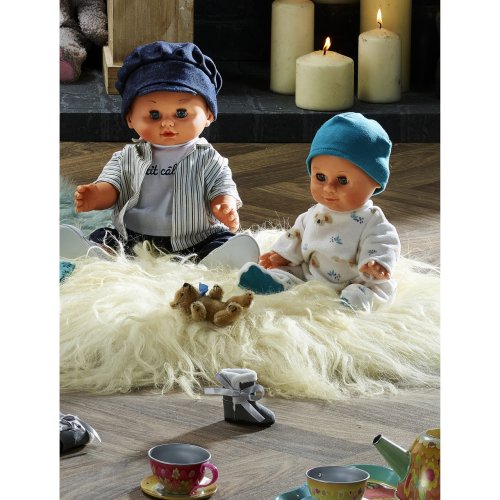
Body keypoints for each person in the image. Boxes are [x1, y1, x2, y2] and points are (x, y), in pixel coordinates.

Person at [60, 41, 259, 268]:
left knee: (220, 240)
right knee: (105, 236)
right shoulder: (128, 156)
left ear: (209, 115)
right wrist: (96, 194)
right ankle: (95, 253)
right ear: (130, 118)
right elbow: (113, 185)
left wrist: (224, 205)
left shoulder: (208, 158)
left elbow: (222, 186)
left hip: (195, 236)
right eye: (154, 115)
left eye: (181, 113)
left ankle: (220, 259)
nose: (167, 123)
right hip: (134, 236)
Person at [238, 112, 401, 312]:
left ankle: (352, 303)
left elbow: (384, 243)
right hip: (312, 271)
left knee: (371, 291)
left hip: (356, 279)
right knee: (292, 272)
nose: (329, 188)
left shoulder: (373, 221)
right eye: (320, 177)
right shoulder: (313, 214)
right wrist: (283, 254)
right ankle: (275, 282)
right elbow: (296, 235)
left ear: (375, 181)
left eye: (342, 180)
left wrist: (376, 265)